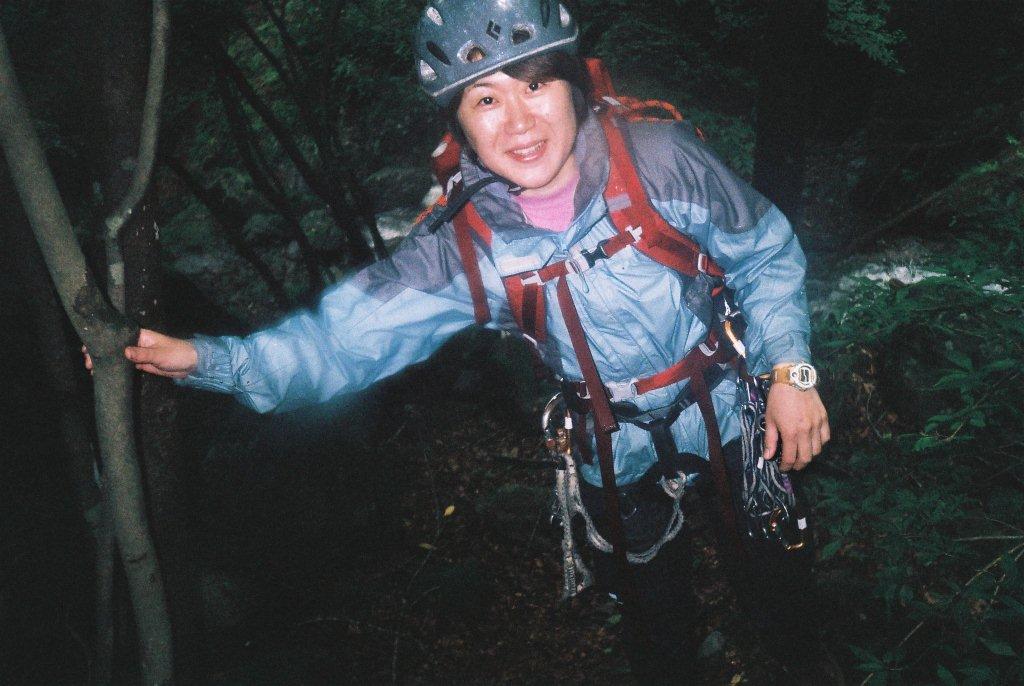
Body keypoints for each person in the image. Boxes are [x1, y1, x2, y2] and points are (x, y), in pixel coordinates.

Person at [88, 0, 836, 682]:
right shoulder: (464, 249)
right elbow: (342, 343)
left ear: (574, 85)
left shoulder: (662, 160)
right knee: (657, 629)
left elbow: (765, 254)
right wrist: (203, 361)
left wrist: (790, 374)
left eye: (534, 84)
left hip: (730, 407)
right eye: (486, 99)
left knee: (782, 592)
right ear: (461, 126)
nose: (519, 122)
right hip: (614, 445)